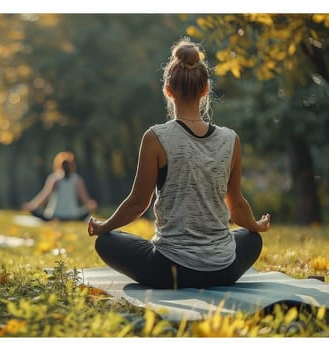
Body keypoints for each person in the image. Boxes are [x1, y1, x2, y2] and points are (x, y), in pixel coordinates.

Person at [87, 38, 271, 290]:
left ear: (168, 90)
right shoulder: (231, 140)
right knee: (252, 239)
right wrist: (257, 226)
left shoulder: (156, 138)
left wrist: (103, 226)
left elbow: (138, 204)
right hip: (224, 270)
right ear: (206, 89)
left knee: (106, 242)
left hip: (169, 271)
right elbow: (237, 206)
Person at [24, 151, 97, 221]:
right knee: (87, 210)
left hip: (54, 215)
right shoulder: (77, 179)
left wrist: (32, 205)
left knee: (36, 211)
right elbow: (85, 199)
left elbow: (45, 196)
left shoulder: (55, 178)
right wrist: (91, 205)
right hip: (73, 215)